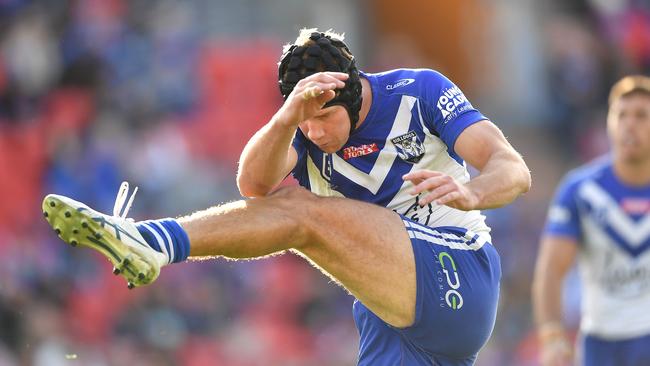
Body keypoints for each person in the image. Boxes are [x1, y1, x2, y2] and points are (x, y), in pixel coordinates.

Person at [42, 28, 531, 365]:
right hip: (390, 311)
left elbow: (513, 169)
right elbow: (253, 188)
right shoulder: (300, 126)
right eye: (306, 121)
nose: (315, 132)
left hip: (457, 273)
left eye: (325, 118)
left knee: (302, 214)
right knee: (290, 209)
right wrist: (284, 119)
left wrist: (472, 190)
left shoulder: (420, 92)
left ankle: (152, 241)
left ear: (355, 94)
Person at [532, 75, 650, 366]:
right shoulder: (580, 191)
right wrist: (552, 337)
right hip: (602, 344)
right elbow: (550, 270)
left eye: (641, 115)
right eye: (621, 115)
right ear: (609, 124)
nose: (630, 124)